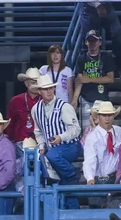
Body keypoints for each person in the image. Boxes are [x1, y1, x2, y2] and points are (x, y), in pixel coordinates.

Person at [31, 76, 83, 209]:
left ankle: (72, 174)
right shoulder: (35, 109)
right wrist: (42, 145)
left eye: (50, 88)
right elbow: (38, 131)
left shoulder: (64, 106)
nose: (49, 91)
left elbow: (76, 129)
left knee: (53, 156)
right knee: (64, 183)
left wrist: (61, 137)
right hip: (53, 150)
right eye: (45, 89)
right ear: (39, 92)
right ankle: (72, 214)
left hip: (71, 145)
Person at [71, 30, 116, 134]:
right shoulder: (81, 58)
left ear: (99, 42)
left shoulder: (106, 57)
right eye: (90, 41)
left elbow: (110, 78)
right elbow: (79, 80)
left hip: (102, 100)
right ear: (86, 42)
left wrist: (89, 79)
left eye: (94, 41)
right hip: (86, 99)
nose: (92, 43)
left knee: (104, 130)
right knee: (86, 130)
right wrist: (74, 99)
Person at [83, 101, 121, 185]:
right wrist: (90, 178)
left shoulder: (119, 131)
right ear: (98, 116)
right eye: (104, 115)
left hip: (116, 176)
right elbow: (89, 160)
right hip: (99, 179)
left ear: (113, 116)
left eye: (110, 115)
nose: (107, 119)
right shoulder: (92, 137)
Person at [80, 2, 121, 75]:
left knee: (118, 36)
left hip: (106, 5)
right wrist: (97, 5)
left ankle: (120, 66)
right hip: (90, 8)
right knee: (90, 40)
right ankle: (88, 70)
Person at [6, 68, 41, 144]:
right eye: (33, 82)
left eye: (38, 82)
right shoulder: (16, 100)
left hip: (42, 143)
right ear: (26, 83)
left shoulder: (44, 100)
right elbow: (10, 124)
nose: (36, 85)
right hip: (21, 142)